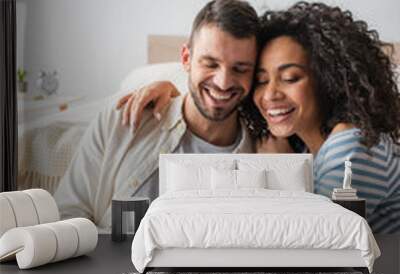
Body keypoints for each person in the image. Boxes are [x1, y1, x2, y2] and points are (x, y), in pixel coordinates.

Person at [118, 2, 400, 233]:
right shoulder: (302, 141)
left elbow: (310, 240)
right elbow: (217, 93)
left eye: (290, 78)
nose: (270, 95)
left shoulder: (349, 148)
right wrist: (173, 91)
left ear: (328, 79)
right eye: (261, 80)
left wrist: (281, 167)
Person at [53, 0, 260, 229]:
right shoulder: (120, 120)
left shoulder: (262, 154)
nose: (223, 82)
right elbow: (67, 215)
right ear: (186, 59)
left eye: (240, 69)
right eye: (210, 64)